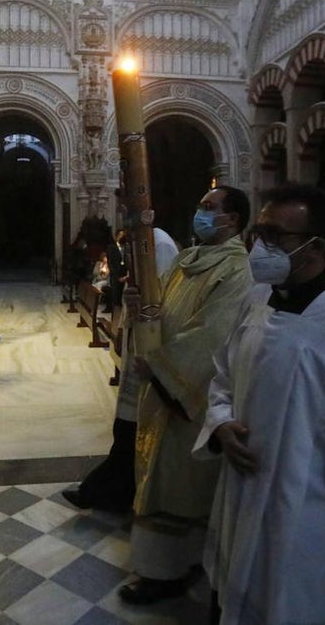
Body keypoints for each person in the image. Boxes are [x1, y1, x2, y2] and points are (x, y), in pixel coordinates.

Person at [196, 183, 325, 625]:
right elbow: (223, 376)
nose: (260, 245)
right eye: (259, 232)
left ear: (315, 247)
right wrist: (219, 424)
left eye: (275, 236)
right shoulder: (257, 301)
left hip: (306, 525)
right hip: (242, 499)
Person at [117, 185, 255, 604]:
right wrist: (137, 299)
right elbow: (157, 305)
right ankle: (160, 562)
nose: (201, 212)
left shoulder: (236, 270)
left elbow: (213, 333)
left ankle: (170, 569)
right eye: (199, 205)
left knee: (178, 482)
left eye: (209, 208)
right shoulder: (187, 259)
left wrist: (162, 367)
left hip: (188, 392)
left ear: (232, 220)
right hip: (162, 386)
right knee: (158, 473)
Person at [62, 226, 179, 514]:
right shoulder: (145, 245)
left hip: (148, 353)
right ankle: (113, 493)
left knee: (129, 434)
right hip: (136, 349)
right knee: (125, 430)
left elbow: (158, 302)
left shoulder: (158, 246)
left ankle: (95, 491)